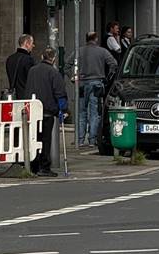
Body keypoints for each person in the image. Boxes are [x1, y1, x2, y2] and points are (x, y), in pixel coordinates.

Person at [23, 48, 68, 178]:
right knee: (45, 140)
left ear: (42, 56)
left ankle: (33, 164)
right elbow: (60, 93)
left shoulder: (32, 71)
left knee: (34, 138)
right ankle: (44, 166)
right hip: (47, 111)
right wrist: (63, 110)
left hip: (32, 110)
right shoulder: (54, 73)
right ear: (53, 59)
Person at [78, 32, 118, 146]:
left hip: (81, 84)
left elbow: (68, 64)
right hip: (97, 83)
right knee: (95, 112)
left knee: (82, 112)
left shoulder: (79, 51)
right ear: (96, 39)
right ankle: (92, 139)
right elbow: (114, 63)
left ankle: (80, 140)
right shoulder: (102, 51)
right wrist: (108, 77)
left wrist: (73, 77)